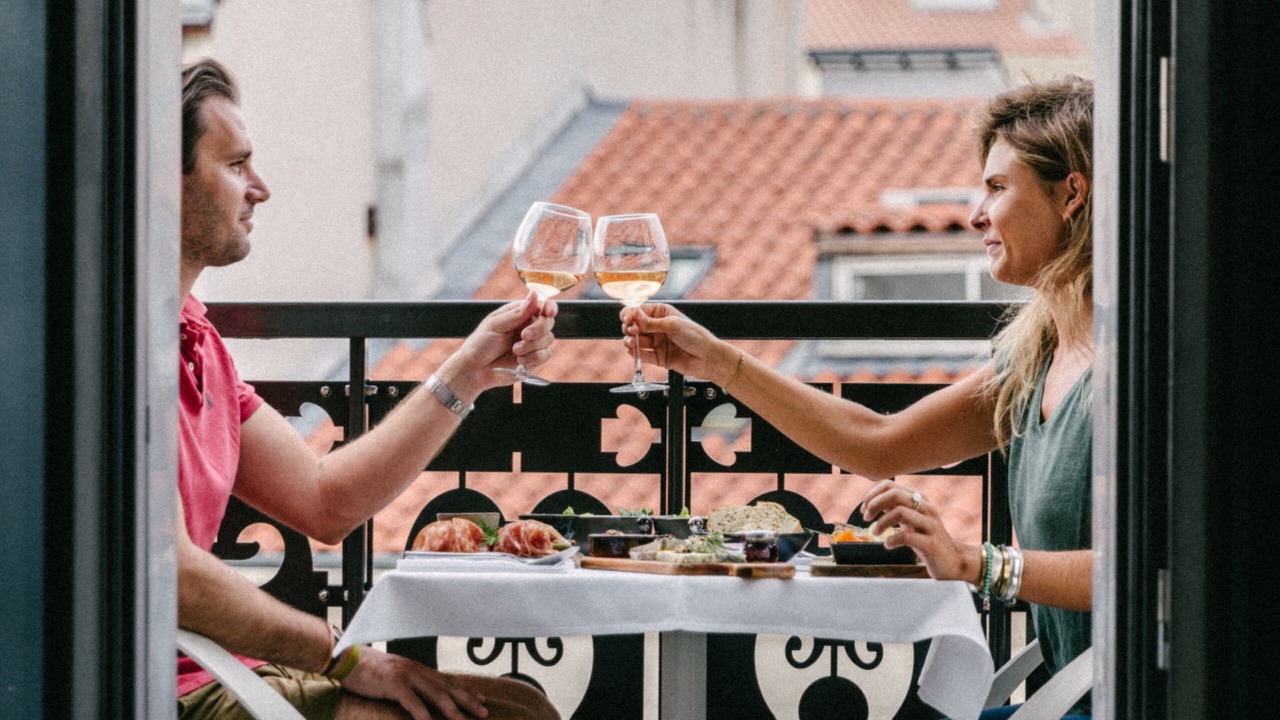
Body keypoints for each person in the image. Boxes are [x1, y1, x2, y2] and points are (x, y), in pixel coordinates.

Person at [621, 76, 1095, 719]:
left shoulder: (1142, 367)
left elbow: (1150, 570)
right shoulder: (1034, 358)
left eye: (997, 187)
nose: (976, 212)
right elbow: (878, 443)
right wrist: (718, 362)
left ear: (1072, 194)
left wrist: (974, 561)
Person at [176, 58, 561, 720]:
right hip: (169, 687)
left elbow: (327, 502)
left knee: (518, 702)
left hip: (223, 668)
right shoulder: (114, 349)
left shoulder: (200, 343)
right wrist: (347, 656)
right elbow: (170, 572)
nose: (260, 188)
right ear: (164, 180)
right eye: (236, 165)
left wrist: (469, 371)